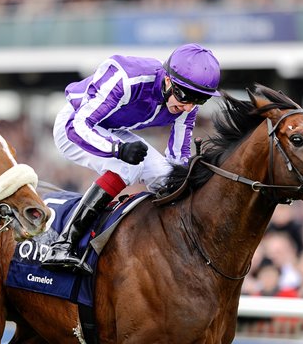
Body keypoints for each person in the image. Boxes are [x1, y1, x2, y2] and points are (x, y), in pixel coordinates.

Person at [42, 43, 221, 274]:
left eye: (199, 100)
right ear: (168, 80)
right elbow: (79, 126)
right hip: (73, 124)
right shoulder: (127, 77)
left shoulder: (187, 105)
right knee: (128, 165)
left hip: (112, 130)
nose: (187, 107)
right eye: (185, 96)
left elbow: (178, 160)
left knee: (168, 178)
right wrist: (117, 150)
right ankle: (64, 243)